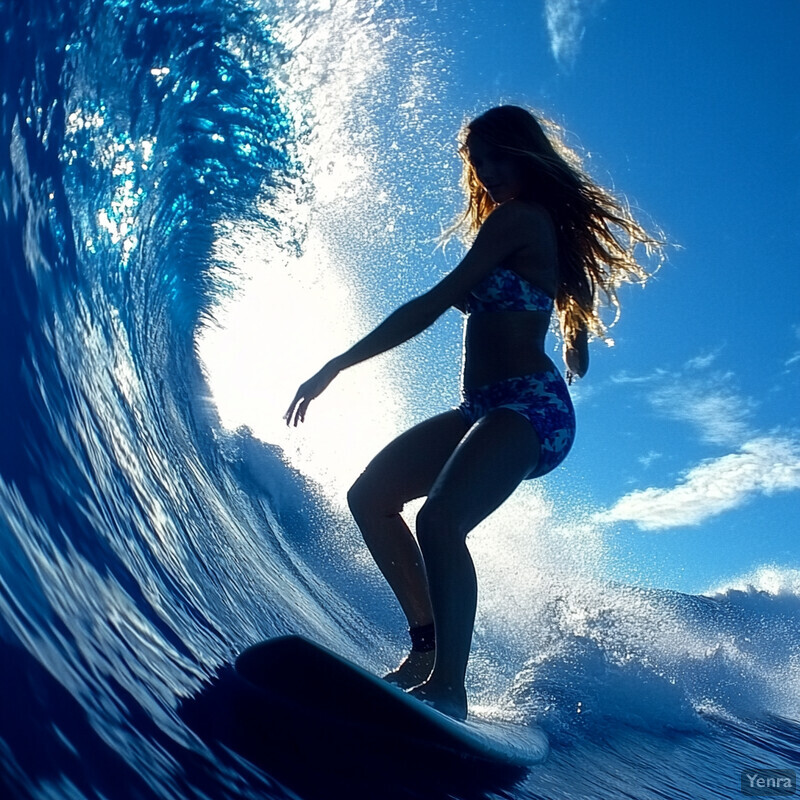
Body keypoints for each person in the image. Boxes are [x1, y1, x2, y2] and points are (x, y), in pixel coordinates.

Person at [285, 105, 662, 720]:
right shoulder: (538, 228)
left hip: (530, 409)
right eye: (477, 161)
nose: (487, 172)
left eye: (498, 157)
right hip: (481, 408)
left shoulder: (519, 219)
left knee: (440, 521)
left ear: (526, 154)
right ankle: (427, 644)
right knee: (371, 498)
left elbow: (433, 304)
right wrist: (576, 335)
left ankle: (448, 686)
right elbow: (569, 292)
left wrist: (336, 365)